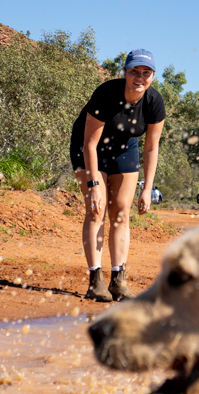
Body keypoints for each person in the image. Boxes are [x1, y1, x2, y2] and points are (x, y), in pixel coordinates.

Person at [70, 50, 166, 302]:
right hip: (89, 147)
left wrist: (148, 188)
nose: (140, 77)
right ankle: (95, 281)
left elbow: (152, 147)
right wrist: (93, 184)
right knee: (96, 209)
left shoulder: (154, 102)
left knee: (121, 211)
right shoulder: (106, 94)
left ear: (153, 76)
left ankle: (118, 280)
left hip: (125, 148)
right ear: (125, 72)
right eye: (134, 71)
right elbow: (90, 143)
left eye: (146, 73)